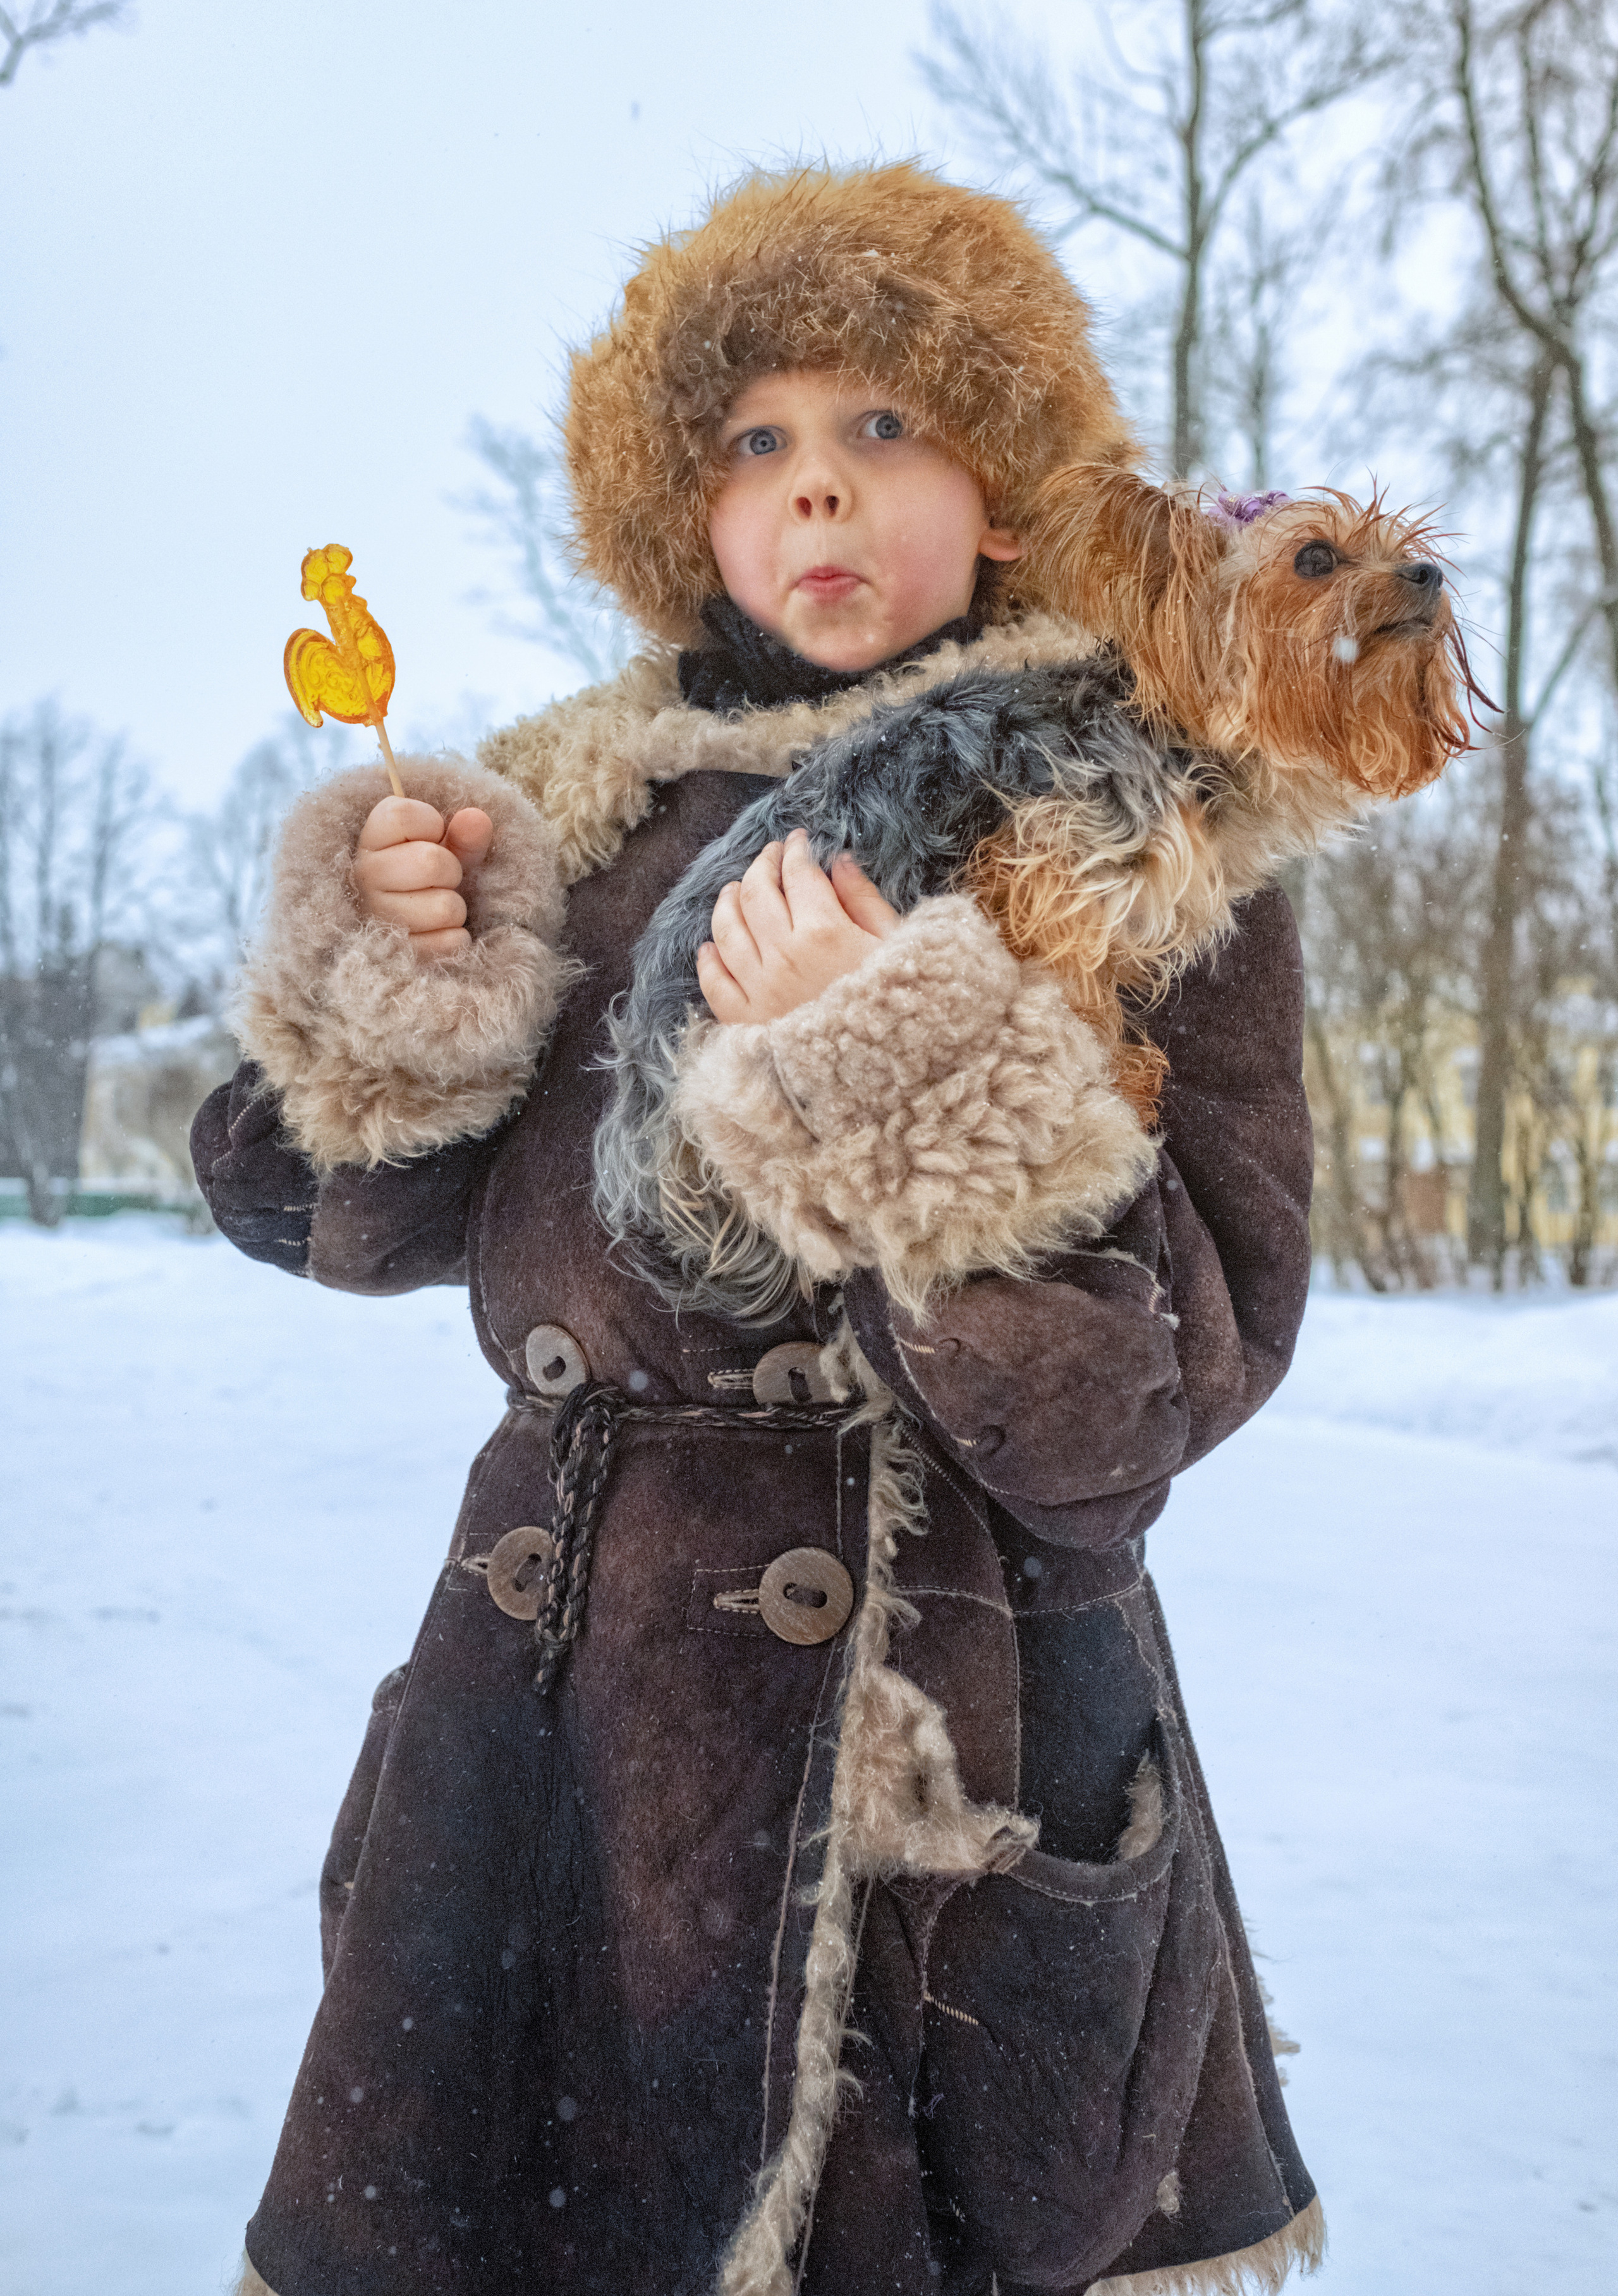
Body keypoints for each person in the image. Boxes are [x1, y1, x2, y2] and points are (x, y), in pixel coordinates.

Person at [195, 162, 1322, 2296]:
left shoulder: (1144, 820)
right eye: (760, 444)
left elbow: (1146, 1408)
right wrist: (391, 985)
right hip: (561, 1714)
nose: (821, 494)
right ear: (681, 513)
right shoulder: (569, 803)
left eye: (888, 428)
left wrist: (899, 1073)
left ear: (1006, 488)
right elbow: (328, 1211)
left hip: (951, 1717)